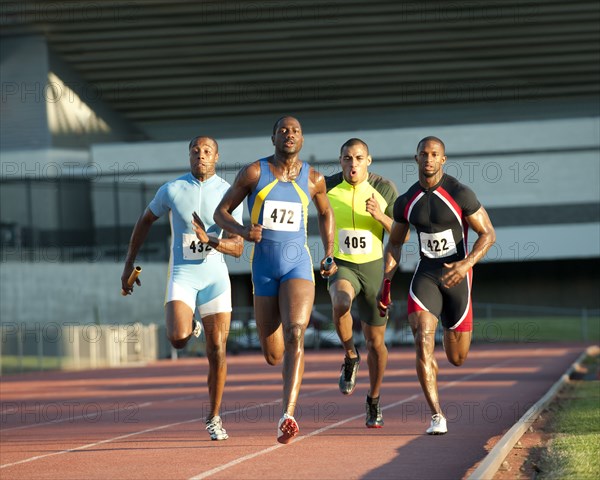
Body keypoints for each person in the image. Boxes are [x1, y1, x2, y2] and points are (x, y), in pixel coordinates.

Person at [213, 116, 336, 444]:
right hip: (264, 270)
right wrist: (242, 231)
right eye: (284, 130)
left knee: (297, 332)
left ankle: (288, 414)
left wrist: (329, 251)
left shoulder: (314, 179)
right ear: (273, 138)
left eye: (295, 131)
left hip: (298, 267)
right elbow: (220, 212)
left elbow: (325, 212)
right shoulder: (254, 172)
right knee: (273, 353)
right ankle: (279, 359)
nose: (290, 135)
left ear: (302, 138)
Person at [121, 136, 244, 441]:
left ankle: (214, 417)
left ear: (216, 157)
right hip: (183, 276)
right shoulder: (172, 189)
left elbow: (238, 248)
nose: (200, 156)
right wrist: (129, 263)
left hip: (215, 278)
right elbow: (145, 220)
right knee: (177, 340)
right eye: (195, 151)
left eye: (206, 152)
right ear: (189, 156)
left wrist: (210, 240)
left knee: (217, 351)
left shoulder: (229, 194)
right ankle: (190, 325)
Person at [377, 136, 495, 435]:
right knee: (421, 340)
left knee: (457, 358)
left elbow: (488, 235)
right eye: (423, 154)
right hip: (427, 275)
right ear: (416, 159)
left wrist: (466, 264)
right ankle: (437, 415)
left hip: (458, 276)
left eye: (434, 154)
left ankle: (443, 339)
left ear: (443, 159)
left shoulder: (460, 193)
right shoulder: (406, 201)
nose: (428, 159)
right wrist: (386, 283)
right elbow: (394, 243)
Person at [325, 138, 398, 428]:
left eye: (358, 158)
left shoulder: (383, 188)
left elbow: (401, 233)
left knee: (376, 343)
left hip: (373, 269)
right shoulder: (327, 186)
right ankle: (350, 356)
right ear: (340, 160)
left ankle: (374, 399)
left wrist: (379, 215)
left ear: (368, 161)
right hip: (342, 264)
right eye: (346, 158)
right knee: (340, 302)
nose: (352, 164)